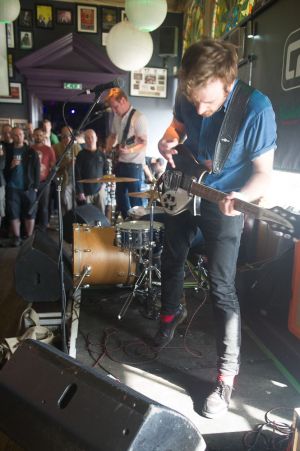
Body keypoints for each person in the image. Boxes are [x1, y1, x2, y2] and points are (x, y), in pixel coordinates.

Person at [153, 38, 277, 419]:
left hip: (226, 200)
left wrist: (241, 195)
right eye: (195, 101)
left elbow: (263, 175)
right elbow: (177, 126)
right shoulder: (190, 92)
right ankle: (169, 315)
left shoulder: (256, 109)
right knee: (171, 257)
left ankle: (226, 377)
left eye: (209, 102)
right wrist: (168, 139)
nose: (201, 111)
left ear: (228, 82)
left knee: (221, 286)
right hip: (185, 185)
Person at [105, 88, 148, 219]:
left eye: (115, 107)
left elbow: (144, 143)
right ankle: (126, 223)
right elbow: (113, 135)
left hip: (134, 165)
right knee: (120, 199)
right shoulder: (117, 118)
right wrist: (108, 147)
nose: (114, 110)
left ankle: (139, 226)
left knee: (135, 200)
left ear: (123, 100)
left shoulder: (139, 117)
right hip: (121, 163)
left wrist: (129, 150)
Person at [4, 127, 40, 246]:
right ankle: (17, 237)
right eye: (15, 135)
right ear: (12, 137)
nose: (18, 137)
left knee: (30, 213)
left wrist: (35, 186)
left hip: (28, 188)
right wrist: (11, 166)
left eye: (20, 134)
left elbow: (37, 170)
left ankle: (29, 238)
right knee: (13, 213)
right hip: (12, 188)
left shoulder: (31, 151)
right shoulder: (8, 151)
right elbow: (3, 171)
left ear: (23, 136)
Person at [75, 129, 108, 214]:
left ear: (96, 138)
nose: (90, 140)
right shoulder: (80, 155)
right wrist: (80, 192)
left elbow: (106, 171)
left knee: (101, 216)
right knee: (88, 217)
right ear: (85, 140)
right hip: (86, 192)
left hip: (100, 190)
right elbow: (77, 175)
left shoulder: (102, 154)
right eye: (87, 138)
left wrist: (103, 186)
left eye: (92, 137)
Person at [31, 128, 56, 230]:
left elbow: (53, 166)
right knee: (32, 205)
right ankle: (32, 227)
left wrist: (49, 180)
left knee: (44, 206)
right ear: (33, 136)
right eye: (36, 135)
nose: (38, 137)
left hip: (44, 182)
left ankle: (44, 226)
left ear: (43, 136)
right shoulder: (30, 149)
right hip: (32, 182)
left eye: (40, 135)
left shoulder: (48, 149)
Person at [53, 126, 81, 214]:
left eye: (69, 135)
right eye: (64, 136)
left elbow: (81, 165)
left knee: (75, 203)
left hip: (75, 180)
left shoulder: (77, 147)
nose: (67, 138)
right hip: (62, 179)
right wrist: (67, 163)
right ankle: (65, 223)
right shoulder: (55, 148)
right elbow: (54, 167)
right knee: (64, 202)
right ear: (61, 136)